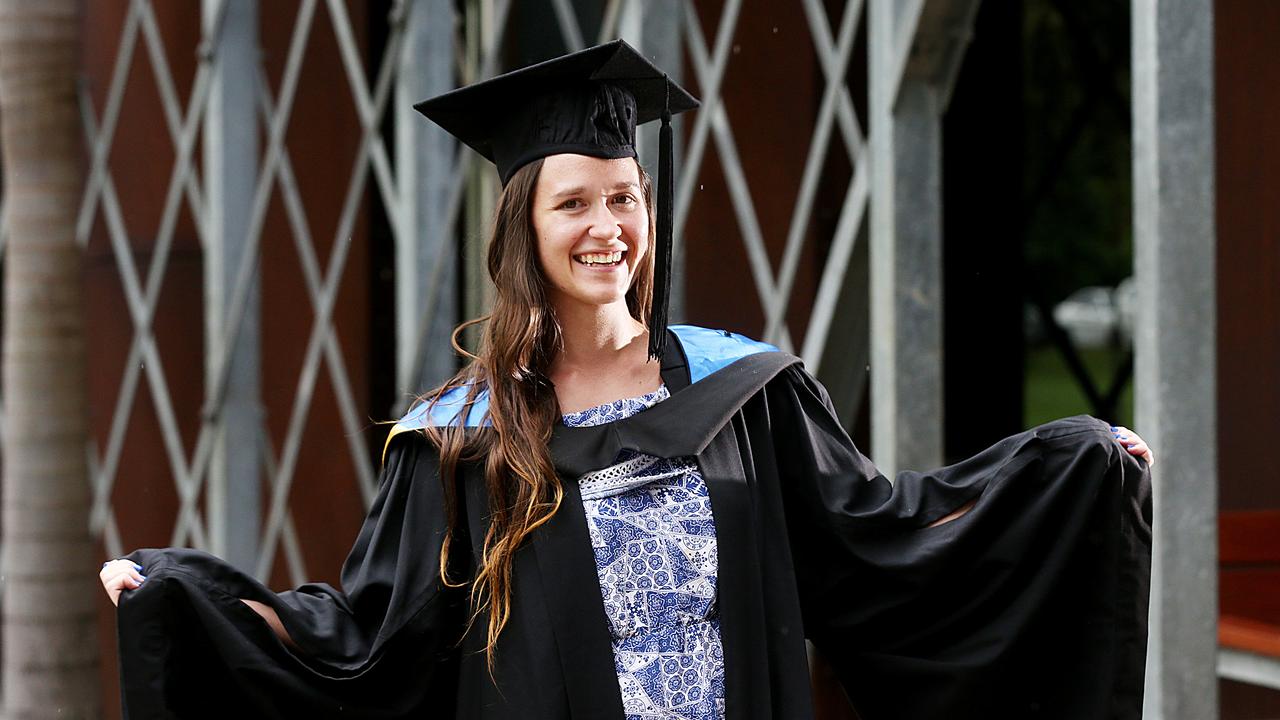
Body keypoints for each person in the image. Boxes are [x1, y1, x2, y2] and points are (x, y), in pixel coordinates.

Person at [100, 40, 1155, 720]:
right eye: (573, 206)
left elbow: (880, 537)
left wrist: (1072, 466)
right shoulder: (461, 437)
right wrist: (179, 593)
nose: (605, 228)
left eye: (624, 199)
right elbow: (368, 636)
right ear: (525, 226)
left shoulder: (746, 391)